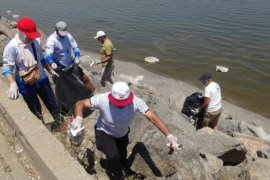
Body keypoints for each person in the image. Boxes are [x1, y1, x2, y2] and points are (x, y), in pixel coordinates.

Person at [71, 81, 180, 179]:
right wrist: (79, 118)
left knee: (122, 156)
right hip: (104, 131)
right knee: (113, 155)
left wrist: (169, 136)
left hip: (122, 134)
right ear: (111, 97)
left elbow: (153, 118)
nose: (121, 106)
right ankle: (118, 175)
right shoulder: (102, 99)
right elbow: (80, 103)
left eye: (123, 103)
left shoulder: (136, 102)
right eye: (118, 103)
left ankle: (115, 166)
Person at [2, 17, 62, 129]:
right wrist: (12, 83)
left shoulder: (36, 41)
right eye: (29, 35)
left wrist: (50, 70)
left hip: (41, 78)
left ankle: (60, 124)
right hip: (25, 83)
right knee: (35, 107)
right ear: (20, 32)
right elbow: (7, 68)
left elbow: (42, 58)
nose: (31, 37)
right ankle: (41, 127)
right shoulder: (12, 47)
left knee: (51, 102)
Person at [45, 21, 95, 93]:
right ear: (56, 30)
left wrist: (77, 57)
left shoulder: (68, 35)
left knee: (85, 78)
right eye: (61, 34)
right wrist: (51, 63)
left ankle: (93, 93)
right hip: (60, 67)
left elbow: (75, 47)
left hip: (71, 64)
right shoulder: (51, 40)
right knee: (66, 86)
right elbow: (48, 55)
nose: (63, 35)